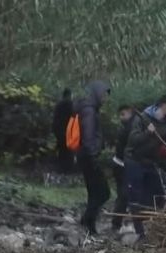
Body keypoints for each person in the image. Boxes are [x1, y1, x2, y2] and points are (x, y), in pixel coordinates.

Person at [125, 96, 166, 242]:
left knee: (158, 195)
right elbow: (133, 140)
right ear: (164, 106)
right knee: (136, 197)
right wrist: (148, 133)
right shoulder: (143, 118)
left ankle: (155, 227)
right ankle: (140, 233)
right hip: (134, 161)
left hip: (150, 162)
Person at [73, 81, 111, 236]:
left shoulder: (89, 109)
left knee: (94, 192)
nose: (105, 99)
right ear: (96, 93)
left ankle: (89, 224)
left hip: (85, 155)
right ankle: (87, 221)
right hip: (89, 156)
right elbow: (88, 136)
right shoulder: (89, 110)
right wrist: (94, 155)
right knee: (103, 192)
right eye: (104, 95)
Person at [109, 105, 135, 231]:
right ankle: (116, 224)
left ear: (131, 112)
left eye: (123, 114)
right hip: (122, 165)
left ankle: (117, 223)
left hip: (121, 164)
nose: (121, 118)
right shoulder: (130, 127)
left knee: (123, 195)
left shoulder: (131, 127)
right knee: (124, 195)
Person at [52, 88, 73, 173]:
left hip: (59, 131)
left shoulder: (58, 105)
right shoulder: (71, 104)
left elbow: (55, 118)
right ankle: (68, 169)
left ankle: (60, 168)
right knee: (69, 150)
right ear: (70, 95)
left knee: (61, 150)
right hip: (68, 131)